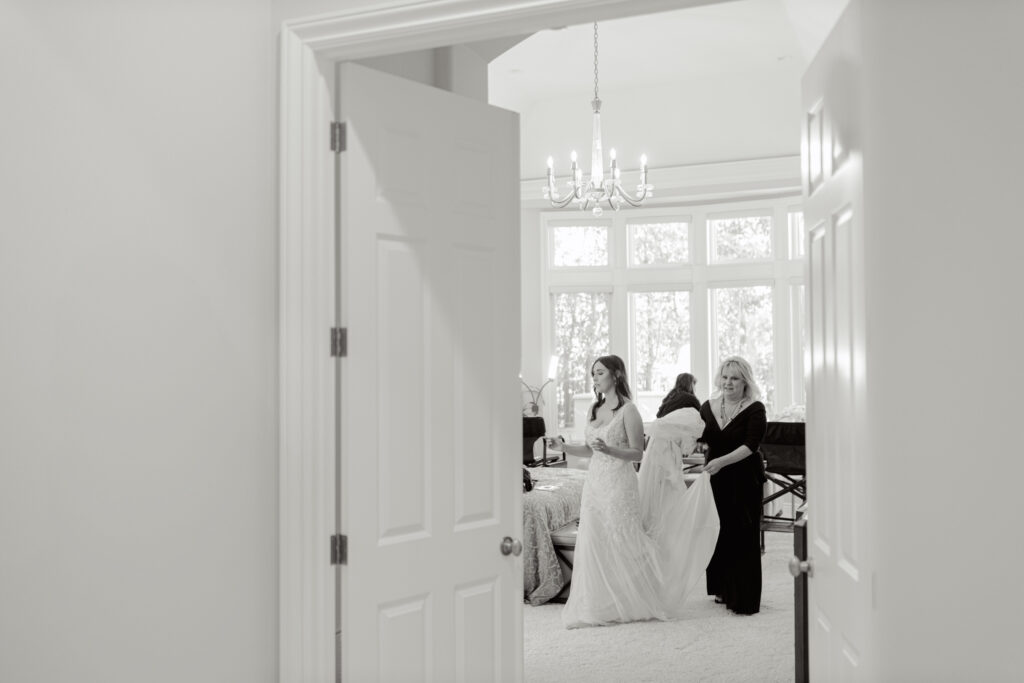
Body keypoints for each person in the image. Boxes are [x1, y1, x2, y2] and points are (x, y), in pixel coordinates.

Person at [545, 355, 719, 628]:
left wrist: (611, 450)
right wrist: (563, 447)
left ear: (615, 375)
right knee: (596, 539)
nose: (595, 379)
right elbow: (590, 450)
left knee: (622, 539)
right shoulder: (594, 409)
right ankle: (598, 602)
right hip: (596, 484)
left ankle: (632, 600)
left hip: (619, 483)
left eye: (599, 373)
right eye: (593, 374)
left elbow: (637, 452)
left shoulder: (629, 411)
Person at [698, 356, 768, 615]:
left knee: (743, 535)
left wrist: (721, 462)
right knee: (719, 532)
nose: (728, 382)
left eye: (735, 378)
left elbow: (751, 446)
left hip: (744, 478)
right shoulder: (708, 407)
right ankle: (721, 588)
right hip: (716, 479)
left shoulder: (755, 408)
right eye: (725, 377)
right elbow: (701, 438)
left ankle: (744, 597)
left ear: (745, 382)